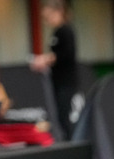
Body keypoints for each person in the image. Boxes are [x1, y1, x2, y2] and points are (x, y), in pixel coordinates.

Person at [30, 0, 79, 138]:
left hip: (67, 82)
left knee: (64, 116)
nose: (48, 20)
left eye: (49, 16)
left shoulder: (66, 31)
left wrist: (45, 59)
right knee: (58, 116)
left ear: (59, 12)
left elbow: (66, 54)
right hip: (57, 81)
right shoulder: (56, 32)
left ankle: (71, 143)